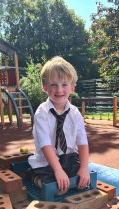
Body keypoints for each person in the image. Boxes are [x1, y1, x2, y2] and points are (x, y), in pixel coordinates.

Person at [28, 56, 90, 195]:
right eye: (53, 84)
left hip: (69, 158)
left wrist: (84, 168)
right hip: (47, 160)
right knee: (58, 188)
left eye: (64, 84)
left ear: (72, 87)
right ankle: (35, 177)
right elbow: (45, 145)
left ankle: (65, 175)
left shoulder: (75, 113)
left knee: (83, 182)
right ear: (44, 87)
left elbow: (82, 142)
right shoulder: (41, 112)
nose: (59, 89)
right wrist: (58, 170)